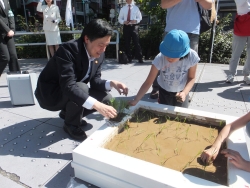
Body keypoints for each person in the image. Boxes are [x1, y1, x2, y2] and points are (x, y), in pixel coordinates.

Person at [35, 19, 129, 141]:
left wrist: (112, 83)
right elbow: (69, 86)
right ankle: (71, 125)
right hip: (50, 95)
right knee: (82, 88)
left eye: (106, 45)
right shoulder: (67, 51)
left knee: (106, 99)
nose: (104, 49)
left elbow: (95, 81)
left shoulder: (99, 54)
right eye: (101, 45)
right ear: (87, 39)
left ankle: (67, 114)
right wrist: (97, 105)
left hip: (70, 91)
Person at [150, 0, 213, 99]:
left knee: (189, 64)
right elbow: (164, 4)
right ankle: (157, 88)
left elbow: (209, 5)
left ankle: (184, 92)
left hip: (192, 31)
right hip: (172, 32)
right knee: (164, 60)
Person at [129, 29, 200, 108]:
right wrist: (136, 99)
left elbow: (191, 77)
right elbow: (148, 82)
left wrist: (184, 92)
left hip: (182, 90)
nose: (169, 58)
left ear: (183, 53)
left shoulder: (192, 56)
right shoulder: (159, 58)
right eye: (167, 54)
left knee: (181, 116)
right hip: (164, 91)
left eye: (173, 56)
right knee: (163, 114)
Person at [226, 0, 250, 85]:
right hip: (241, 28)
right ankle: (231, 74)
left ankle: (247, 74)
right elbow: (241, 4)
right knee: (236, 53)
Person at [0, 0, 21, 76]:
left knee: (13, 56)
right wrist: (7, 30)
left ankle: (16, 77)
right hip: (2, 32)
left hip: (8, 33)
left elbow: (10, 14)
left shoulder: (6, 1)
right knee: (5, 57)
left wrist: (12, 29)